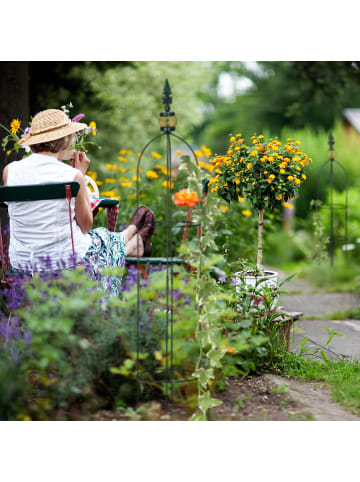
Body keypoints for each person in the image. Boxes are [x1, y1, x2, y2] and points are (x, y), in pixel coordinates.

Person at [2, 109, 155, 295]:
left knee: (97, 240)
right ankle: (130, 242)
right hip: (64, 265)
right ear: (66, 141)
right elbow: (85, 226)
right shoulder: (72, 176)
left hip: (22, 265)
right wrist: (80, 176)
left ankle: (131, 240)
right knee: (100, 237)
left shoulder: (10, 171)